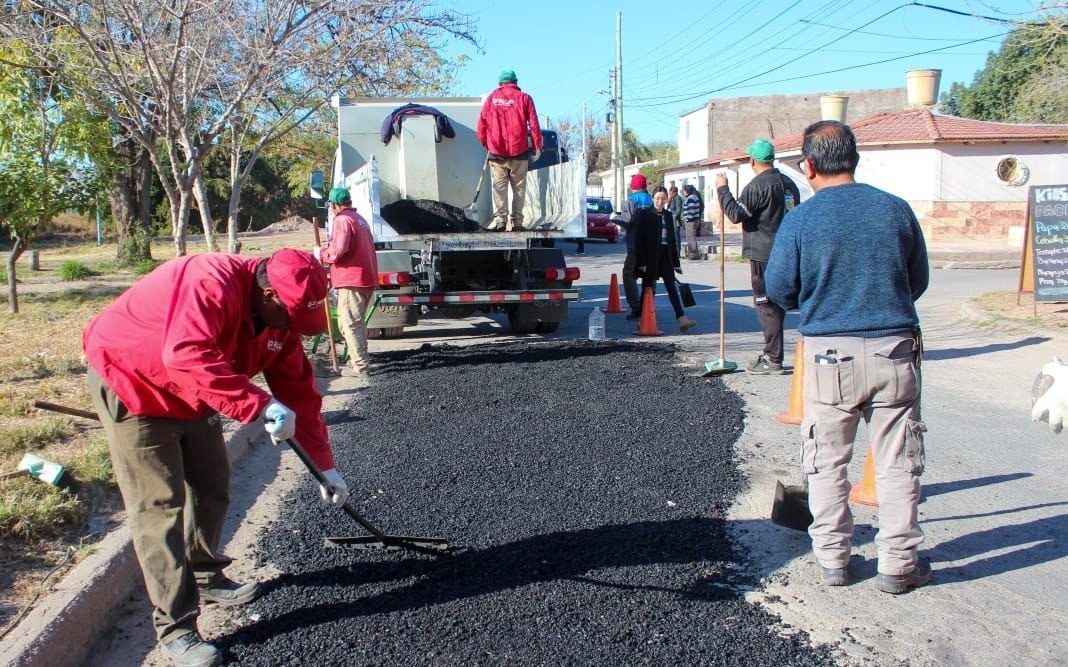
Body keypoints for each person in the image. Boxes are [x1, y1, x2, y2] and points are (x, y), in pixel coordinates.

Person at [82, 248, 351, 666]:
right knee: (160, 506)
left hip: (195, 386)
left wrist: (325, 467)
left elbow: (298, 391)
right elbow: (183, 355)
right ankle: (176, 628)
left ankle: (205, 575)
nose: (295, 329)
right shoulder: (210, 281)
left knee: (212, 484)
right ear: (268, 294)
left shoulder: (279, 322)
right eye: (293, 317)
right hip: (133, 380)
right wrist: (258, 405)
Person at [765, 120, 931, 594]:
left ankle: (833, 559)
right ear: (854, 159)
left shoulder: (802, 220)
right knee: (898, 462)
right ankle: (898, 564)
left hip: (828, 355)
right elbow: (917, 280)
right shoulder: (895, 209)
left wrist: (818, 302)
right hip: (893, 350)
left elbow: (779, 287)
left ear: (809, 166)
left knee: (826, 460)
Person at [716, 138, 802, 375]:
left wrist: (723, 189)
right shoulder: (789, 184)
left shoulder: (757, 187)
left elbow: (735, 214)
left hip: (764, 254)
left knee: (767, 305)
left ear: (752, 160)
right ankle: (776, 353)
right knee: (782, 304)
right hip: (788, 251)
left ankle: (773, 358)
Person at [315, 186, 379, 376]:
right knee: (353, 323)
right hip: (365, 278)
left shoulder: (342, 220)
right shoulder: (359, 219)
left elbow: (338, 251)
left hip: (352, 280)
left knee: (350, 324)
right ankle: (359, 361)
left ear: (334, 205)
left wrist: (321, 253)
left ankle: (361, 367)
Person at [476, 69, 542, 232]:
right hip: (519, 152)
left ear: (500, 83)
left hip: (497, 152)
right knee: (519, 189)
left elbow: (482, 124)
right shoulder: (525, 98)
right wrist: (537, 146)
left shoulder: (491, 98)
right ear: (516, 82)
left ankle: (500, 221)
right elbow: (534, 124)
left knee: (499, 188)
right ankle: (517, 223)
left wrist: (486, 143)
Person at [634, 187, 697, 333]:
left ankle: (682, 319)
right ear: (652, 198)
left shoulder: (668, 215)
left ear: (667, 199)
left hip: (665, 256)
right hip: (650, 257)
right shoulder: (644, 214)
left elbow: (672, 241)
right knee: (648, 288)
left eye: (663, 198)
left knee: (671, 287)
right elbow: (639, 240)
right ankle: (642, 319)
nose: (660, 201)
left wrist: (676, 263)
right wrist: (641, 262)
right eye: (657, 198)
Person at [612, 173, 654, 320]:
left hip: (635, 244)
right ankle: (648, 306)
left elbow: (627, 220)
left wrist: (614, 217)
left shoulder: (631, 200)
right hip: (651, 245)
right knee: (649, 276)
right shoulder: (651, 199)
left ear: (633, 186)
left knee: (629, 274)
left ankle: (636, 307)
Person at [681, 184, 703, 260]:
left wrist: (687, 218)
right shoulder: (694, 197)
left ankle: (693, 253)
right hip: (694, 219)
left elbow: (691, 210)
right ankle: (692, 253)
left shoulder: (691, 198)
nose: (683, 192)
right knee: (691, 236)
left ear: (687, 191)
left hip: (691, 221)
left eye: (684, 191)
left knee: (691, 237)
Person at [667, 185, 685, 255]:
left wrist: (674, 216)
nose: (670, 194)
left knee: (676, 236)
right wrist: (669, 200)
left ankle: (677, 252)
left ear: (674, 192)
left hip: (675, 219)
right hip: (671, 218)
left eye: (671, 192)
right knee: (672, 236)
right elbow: (668, 207)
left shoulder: (677, 198)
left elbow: (678, 209)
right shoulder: (672, 199)